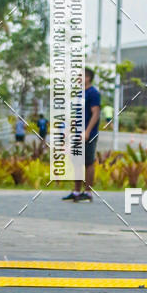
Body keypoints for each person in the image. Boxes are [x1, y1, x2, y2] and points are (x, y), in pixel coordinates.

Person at [62, 67, 101, 203]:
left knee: (88, 162)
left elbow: (96, 113)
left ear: (88, 78)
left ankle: (88, 193)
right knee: (77, 162)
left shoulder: (93, 93)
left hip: (88, 134)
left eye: (80, 76)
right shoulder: (80, 93)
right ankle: (76, 192)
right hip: (77, 133)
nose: (78, 78)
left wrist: (87, 131)